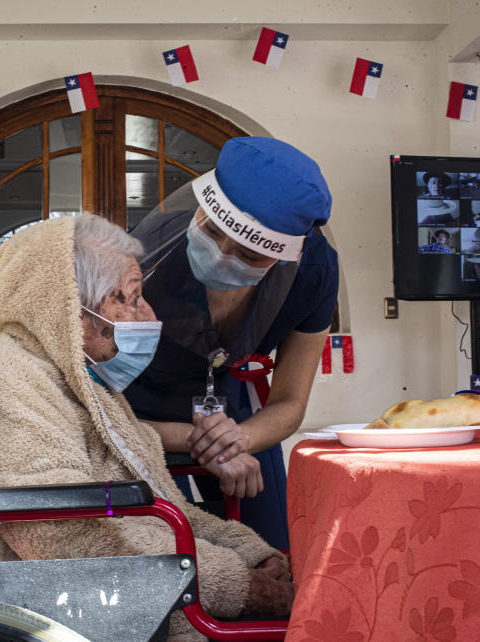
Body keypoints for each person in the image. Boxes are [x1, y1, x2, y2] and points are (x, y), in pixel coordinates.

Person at [0, 214, 294, 639]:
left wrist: (248, 552)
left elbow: (163, 498)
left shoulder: (82, 381)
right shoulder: (6, 380)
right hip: (76, 604)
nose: (147, 313)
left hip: (133, 584)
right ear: (70, 312)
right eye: (128, 299)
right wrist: (231, 582)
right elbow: (61, 532)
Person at [124, 137, 337, 550]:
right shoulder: (147, 256)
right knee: (175, 548)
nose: (220, 256)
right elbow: (94, 409)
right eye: (211, 230)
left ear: (288, 256)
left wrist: (237, 440)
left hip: (231, 414)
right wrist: (199, 442)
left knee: (273, 549)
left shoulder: (314, 271)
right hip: (136, 415)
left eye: (249, 255)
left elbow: (290, 401)